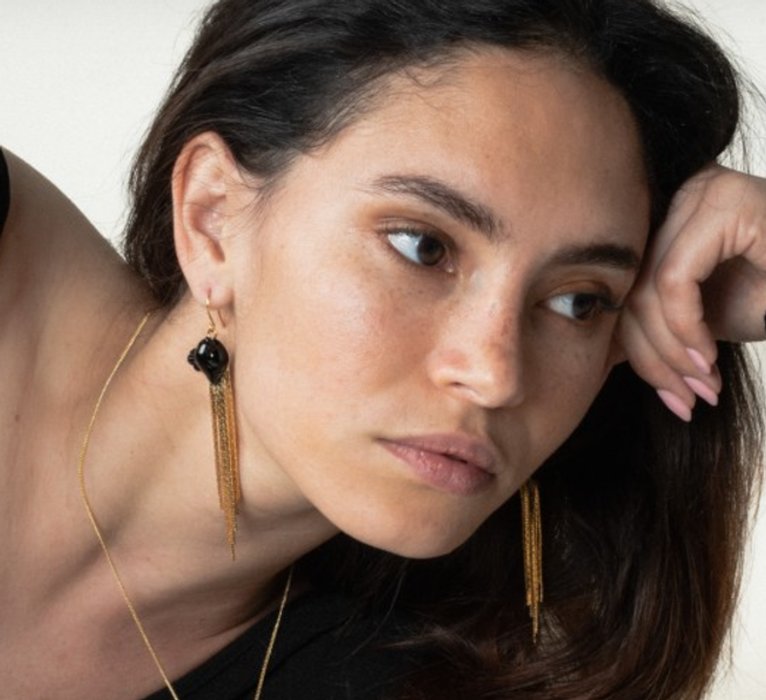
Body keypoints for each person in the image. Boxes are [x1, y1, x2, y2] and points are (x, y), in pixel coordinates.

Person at [1, 0, 765, 698]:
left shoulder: (394, 677)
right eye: (423, 247)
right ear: (212, 216)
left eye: (578, 302)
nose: (496, 376)